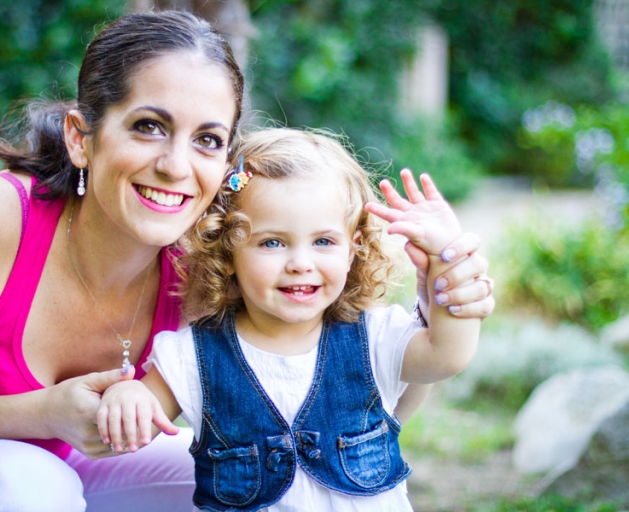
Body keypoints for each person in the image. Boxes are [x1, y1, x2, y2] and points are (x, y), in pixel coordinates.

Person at [0, 11, 492, 512]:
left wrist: (441, 301)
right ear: (82, 137)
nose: (175, 166)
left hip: (67, 468)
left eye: (207, 139)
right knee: (25, 486)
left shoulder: (208, 262)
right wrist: (38, 413)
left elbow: (351, 395)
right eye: (148, 126)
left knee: (256, 475)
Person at [97, 127, 482, 511]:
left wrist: (447, 269)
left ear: (352, 250)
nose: (300, 263)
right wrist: (128, 398)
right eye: (273, 242)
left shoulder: (374, 336)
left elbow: (446, 356)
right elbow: (140, 420)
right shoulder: (194, 356)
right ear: (228, 254)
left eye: (323, 241)